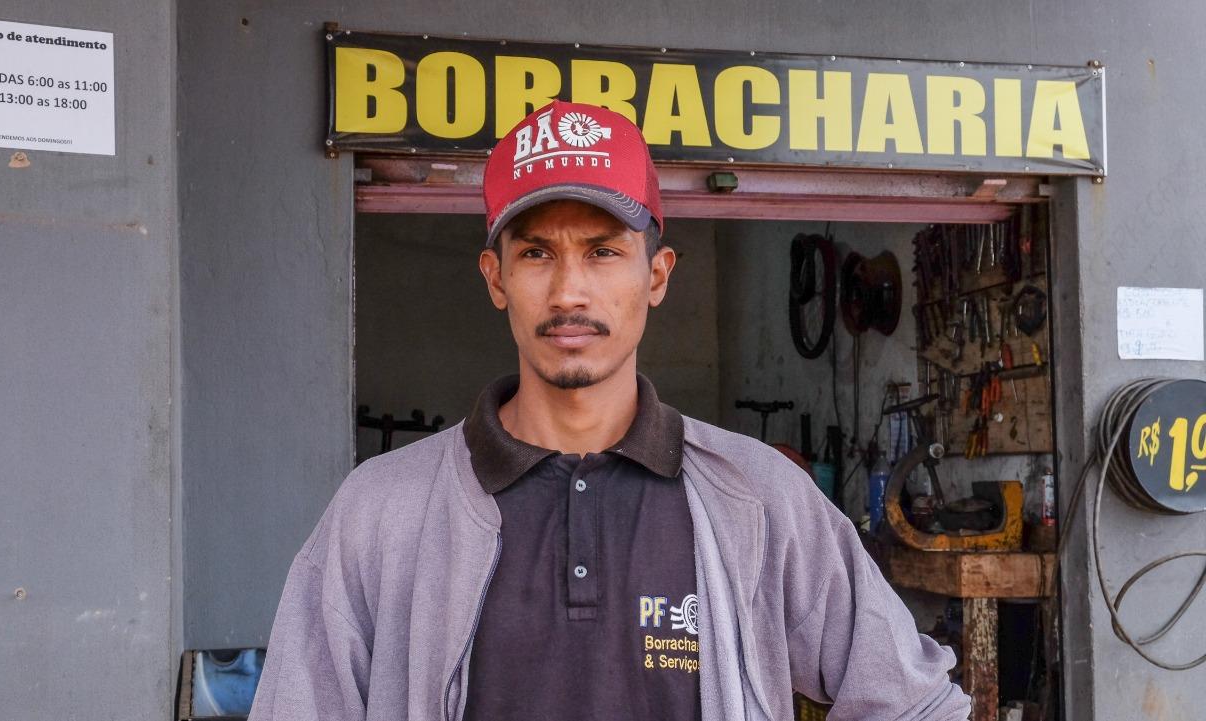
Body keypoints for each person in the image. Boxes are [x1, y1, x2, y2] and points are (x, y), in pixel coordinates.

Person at [248, 100, 971, 721]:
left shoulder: (758, 499)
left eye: (601, 252)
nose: (569, 291)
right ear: (495, 278)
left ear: (656, 274)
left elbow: (916, 705)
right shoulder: (380, 512)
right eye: (537, 253)